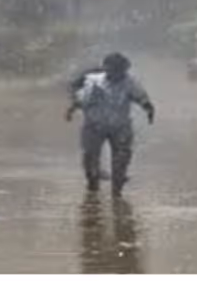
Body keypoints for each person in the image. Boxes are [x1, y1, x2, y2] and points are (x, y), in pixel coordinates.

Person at [65, 52, 155, 196]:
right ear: (106, 69)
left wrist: (149, 109)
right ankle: (93, 188)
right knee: (90, 157)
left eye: (120, 71)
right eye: (113, 70)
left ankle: (117, 192)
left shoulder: (130, 82)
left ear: (125, 70)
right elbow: (82, 98)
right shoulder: (93, 80)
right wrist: (71, 109)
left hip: (120, 126)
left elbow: (141, 97)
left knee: (121, 158)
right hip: (94, 126)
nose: (117, 74)